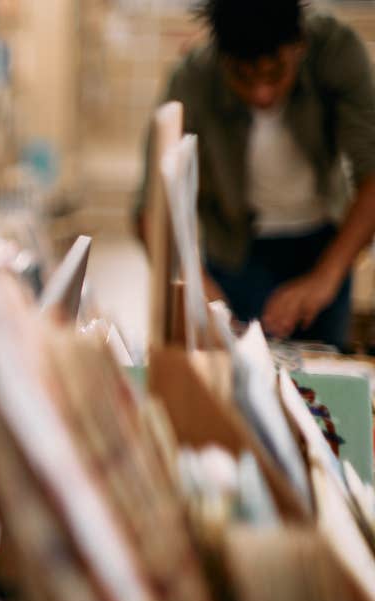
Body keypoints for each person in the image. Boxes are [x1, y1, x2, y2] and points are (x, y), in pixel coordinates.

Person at [134, 0, 375, 347]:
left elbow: (371, 177)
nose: (262, 93)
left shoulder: (337, 51)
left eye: (275, 73)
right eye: (243, 78)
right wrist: (194, 284)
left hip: (323, 242)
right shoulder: (194, 78)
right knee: (231, 372)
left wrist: (326, 277)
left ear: (300, 45)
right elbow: (150, 206)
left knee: (322, 377)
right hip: (235, 251)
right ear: (221, 58)